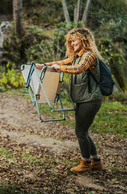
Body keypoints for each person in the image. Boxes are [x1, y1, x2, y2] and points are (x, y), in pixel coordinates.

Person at [36, 27, 103, 172]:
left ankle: (85, 163)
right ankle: (96, 161)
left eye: (75, 40)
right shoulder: (77, 56)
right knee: (83, 131)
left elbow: (78, 68)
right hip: (84, 99)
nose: (72, 44)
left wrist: (60, 69)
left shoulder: (89, 56)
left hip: (90, 100)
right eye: (71, 42)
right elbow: (62, 62)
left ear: (84, 39)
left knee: (81, 132)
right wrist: (44, 66)